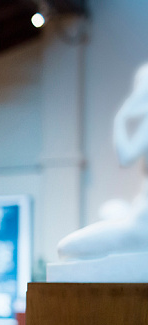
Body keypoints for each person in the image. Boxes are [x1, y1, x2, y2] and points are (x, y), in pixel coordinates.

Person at [57, 61, 148, 262]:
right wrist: (122, 117)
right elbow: (126, 157)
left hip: (142, 225)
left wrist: (122, 116)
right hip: (140, 219)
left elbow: (125, 157)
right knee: (111, 209)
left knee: (67, 247)